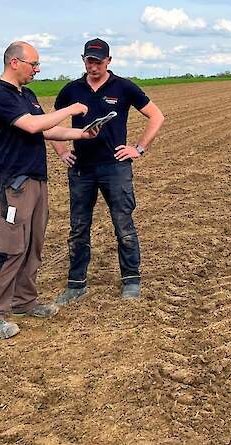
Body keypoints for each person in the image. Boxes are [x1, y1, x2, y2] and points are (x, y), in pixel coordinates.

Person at [0, 40, 100, 340]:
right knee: (10, 248)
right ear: (14, 63)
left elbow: (46, 129)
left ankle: (24, 301)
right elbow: (32, 126)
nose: (37, 68)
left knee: (33, 244)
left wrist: (81, 133)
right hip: (13, 184)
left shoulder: (27, 95)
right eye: (34, 64)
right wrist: (71, 109)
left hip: (36, 179)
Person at [50, 38, 165, 303]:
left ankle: (131, 281)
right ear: (83, 60)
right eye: (89, 61)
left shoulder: (124, 87)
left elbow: (157, 116)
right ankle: (76, 285)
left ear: (109, 61)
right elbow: (50, 124)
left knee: (123, 224)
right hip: (81, 169)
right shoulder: (71, 90)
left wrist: (138, 148)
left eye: (99, 62)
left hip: (115, 167)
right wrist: (62, 151)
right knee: (79, 227)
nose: (94, 66)